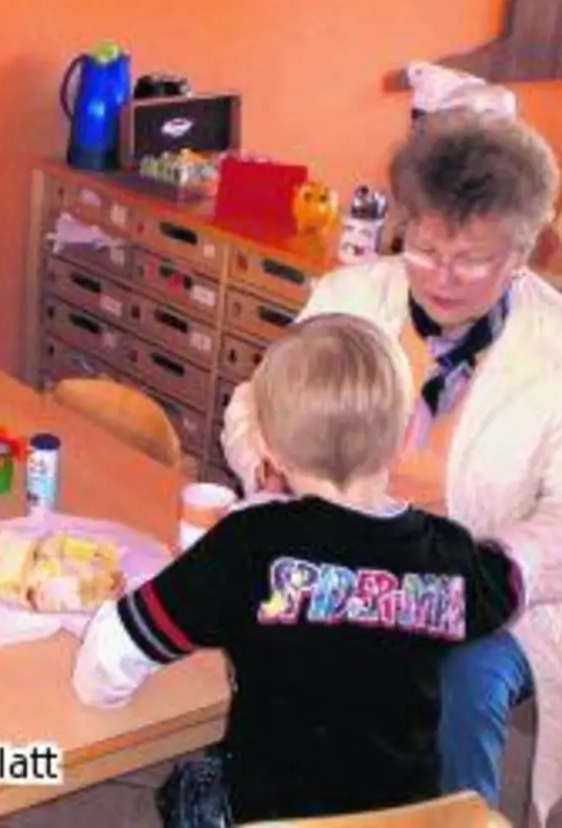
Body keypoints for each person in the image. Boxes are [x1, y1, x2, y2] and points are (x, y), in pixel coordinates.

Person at [221, 109, 562, 824]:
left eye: (470, 259)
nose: (439, 276)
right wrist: (269, 464)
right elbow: (257, 401)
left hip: (497, 597)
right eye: (424, 248)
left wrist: (497, 569)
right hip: (337, 550)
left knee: (457, 683)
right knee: (253, 623)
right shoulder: (352, 297)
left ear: (523, 252)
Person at [73, 313, 532, 824]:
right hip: (406, 820)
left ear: (268, 448)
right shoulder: (447, 554)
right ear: (404, 438)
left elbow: (123, 642)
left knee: (189, 788)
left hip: (271, 816)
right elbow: (511, 585)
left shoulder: (248, 544)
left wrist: (101, 692)